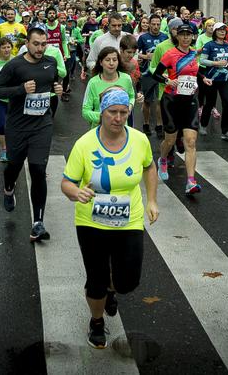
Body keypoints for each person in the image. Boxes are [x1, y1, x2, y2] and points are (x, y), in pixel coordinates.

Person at [62, 88, 159, 349]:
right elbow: (66, 183)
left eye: (123, 112)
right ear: (102, 113)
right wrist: (76, 192)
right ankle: (96, 321)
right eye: (112, 112)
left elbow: (150, 167)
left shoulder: (139, 140)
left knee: (128, 281)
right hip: (91, 221)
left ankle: (112, 291)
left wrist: (151, 200)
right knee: (96, 280)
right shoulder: (84, 144)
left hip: (129, 219)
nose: (118, 118)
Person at [0, 26, 64, 242]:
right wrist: (20, 89)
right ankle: (8, 187)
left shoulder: (50, 62)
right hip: (18, 126)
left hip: (42, 125)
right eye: (36, 44)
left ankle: (38, 222)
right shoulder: (14, 65)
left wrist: (57, 89)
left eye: (44, 44)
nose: (40, 48)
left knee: (38, 169)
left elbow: (50, 84)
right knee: (13, 166)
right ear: (27, 44)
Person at [152, 22, 203, 194]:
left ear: (193, 37)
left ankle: (191, 181)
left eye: (189, 35)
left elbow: (195, 72)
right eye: (182, 35)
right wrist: (167, 80)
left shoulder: (194, 54)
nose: (186, 37)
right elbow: (156, 74)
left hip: (189, 101)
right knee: (170, 140)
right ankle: (163, 159)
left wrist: (204, 79)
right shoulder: (170, 54)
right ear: (177, 37)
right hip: (171, 101)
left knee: (190, 141)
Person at [82, 46, 139, 127]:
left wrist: (129, 107)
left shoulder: (126, 79)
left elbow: (132, 96)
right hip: (99, 130)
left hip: (121, 128)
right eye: (107, 60)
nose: (111, 63)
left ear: (118, 62)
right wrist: (104, 117)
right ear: (101, 62)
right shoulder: (93, 83)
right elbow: (85, 111)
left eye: (115, 60)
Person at [198, 22, 228, 141]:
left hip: (224, 79)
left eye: (224, 30)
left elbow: (227, 59)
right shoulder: (209, 45)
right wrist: (215, 63)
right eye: (220, 30)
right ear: (215, 32)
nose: (222, 32)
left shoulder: (227, 45)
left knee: (226, 102)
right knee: (209, 103)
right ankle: (203, 125)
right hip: (211, 79)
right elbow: (202, 61)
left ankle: (226, 130)